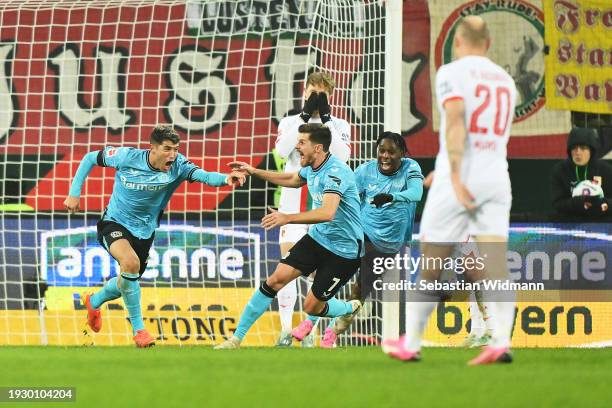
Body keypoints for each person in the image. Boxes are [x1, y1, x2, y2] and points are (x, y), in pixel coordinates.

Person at [382, 15, 518, 365]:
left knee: (431, 259)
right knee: (495, 261)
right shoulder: (506, 80)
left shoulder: (451, 73)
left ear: (458, 42)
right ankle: (501, 341)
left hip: (461, 176)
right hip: (497, 177)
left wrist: (454, 174)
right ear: (488, 43)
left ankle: (410, 343)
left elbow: (456, 120)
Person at [64, 125, 245, 347]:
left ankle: (95, 300)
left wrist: (226, 179)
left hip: (145, 231)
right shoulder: (126, 156)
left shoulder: (178, 165)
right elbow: (90, 158)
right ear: (153, 148)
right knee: (130, 263)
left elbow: (203, 175)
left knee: (128, 280)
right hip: (113, 222)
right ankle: (140, 331)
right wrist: (74, 193)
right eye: (167, 149)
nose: (173, 154)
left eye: (176, 149)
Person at [214, 124, 363, 349]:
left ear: (319, 147)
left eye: (302, 142)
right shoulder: (312, 167)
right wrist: (255, 172)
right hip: (318, 239)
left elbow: (327, 212)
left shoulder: (337, 172)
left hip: (345, 250)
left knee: (311, 307)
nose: (297, 146)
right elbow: (293, 179)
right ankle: (236, 339)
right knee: (275, 279)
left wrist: (287, 218)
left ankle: (348, 309)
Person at [297, 131, 423, 348]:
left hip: (389, 244)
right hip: (360, 234)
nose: (385, 156)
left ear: (402, 153)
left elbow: (416, 193)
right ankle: (309, 322)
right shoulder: (365, 171)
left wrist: (393, 197)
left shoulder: (410, 168)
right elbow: (346, 195)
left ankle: (333, 332)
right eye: (381, 151)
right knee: (333, 278)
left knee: (360, 292)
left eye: (391, 152)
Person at [274, 72, 351, 347]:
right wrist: (304, 119)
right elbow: (283, 152)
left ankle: (308, 332)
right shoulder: (290, 122)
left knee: (317, 275)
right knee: (288, 268)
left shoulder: (340, 124)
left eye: (322, 95)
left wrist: (327, 121)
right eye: (312, 93)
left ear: (330, 98)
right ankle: (285, 330)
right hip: (292, 204)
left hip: (324, 205)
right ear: (303, 93)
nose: (316, 99)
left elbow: (342, 156)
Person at [550, 127, 612, 222]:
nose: (578, 152)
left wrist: (604, 204)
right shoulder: (560, 170)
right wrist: (580, 203)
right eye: (574, 148)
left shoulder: (606, 170)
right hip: (570, 222)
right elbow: (557, 204)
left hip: (601, 221)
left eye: (583, 148)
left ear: (591, 150)